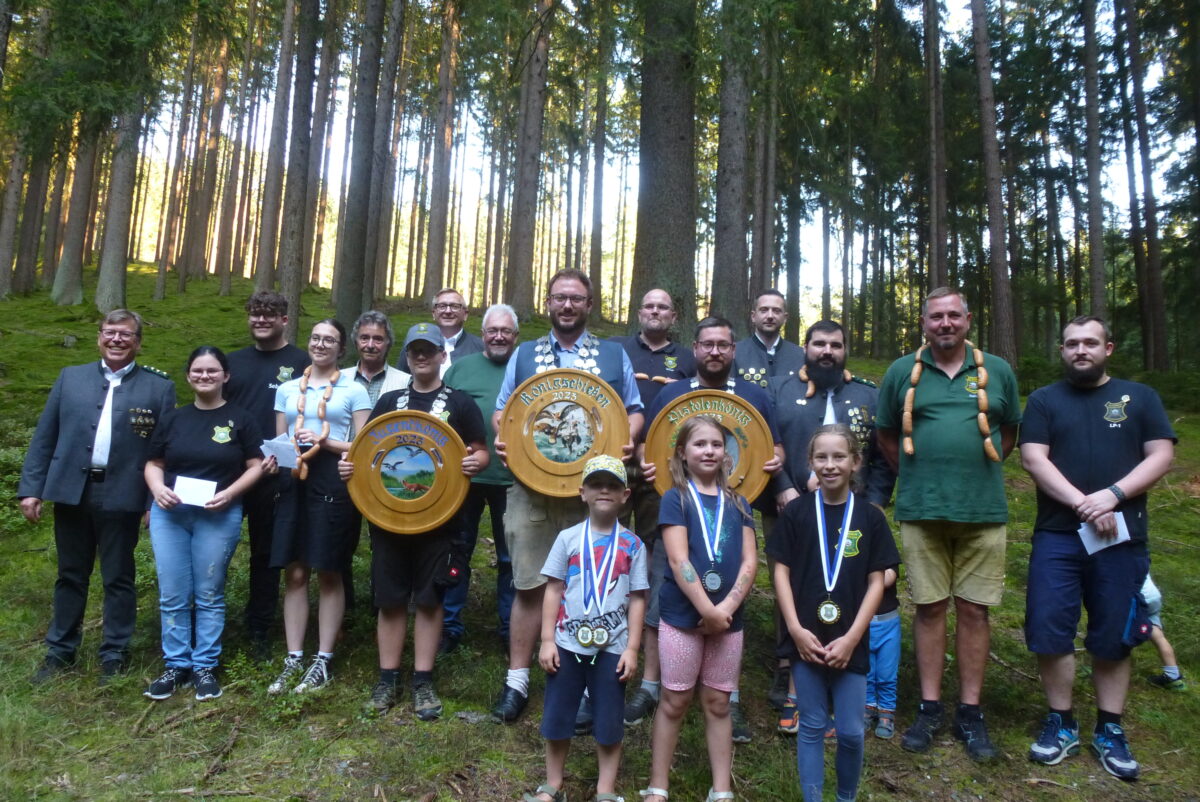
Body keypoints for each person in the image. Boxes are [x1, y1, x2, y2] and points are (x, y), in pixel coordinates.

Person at [1019, 315, 1175, 780]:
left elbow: (1162, 454)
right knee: (1049, 627)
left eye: (1090, 342)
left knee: (1114, 633)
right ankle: (1061, 722)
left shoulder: (1140, 397)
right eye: (1071, 344)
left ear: (1108, 348)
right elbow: (1033, 458)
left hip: (1122, 537)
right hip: (1057, 535)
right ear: (1062, 351)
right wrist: (1085, 505)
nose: (1080, 350)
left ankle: (1110, 728)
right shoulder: (1044, 400)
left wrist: (1113, 496)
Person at [490, 268, 643, 724]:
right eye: (560, 297)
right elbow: (502, 412)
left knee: (594, 587)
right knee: (529, 583)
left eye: (576, 298)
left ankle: (587, 686)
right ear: (549, 303)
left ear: (589, 305)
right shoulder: (524, 355)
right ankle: (517, 680)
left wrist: (628, 438)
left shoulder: (614, 355)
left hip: (595, 494)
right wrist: (505, 437)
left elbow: (634, 410)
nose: (568, 305)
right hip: (532, 489)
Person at [875, 287, 1021, 761]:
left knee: (975, 610)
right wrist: (920, 475)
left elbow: (1010, 431)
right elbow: (886, 434)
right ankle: (930, 707)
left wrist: (969, 470)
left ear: (968, 320)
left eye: (953, 315)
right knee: (929, 607)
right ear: (924, 323)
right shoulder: (903, 371)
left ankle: (970, 712)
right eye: (936, 316)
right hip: (922, 509)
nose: (945, 323)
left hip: (982, 510)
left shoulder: (996, 370)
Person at [642, 315, 784, 743]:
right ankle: (651, 686)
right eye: (708, 344)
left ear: (733, 350)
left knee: (731, 595)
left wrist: (776, 460)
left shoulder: (755, 396)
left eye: (723, 344)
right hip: (676, 510)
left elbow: (774, 449)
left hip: (731, 513)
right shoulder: (671, 393)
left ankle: (729, 697)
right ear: (696, 348)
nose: (716, 351)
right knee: (662, 590)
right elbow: (650, 447)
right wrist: (646, 465)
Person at [340, 323, 488, 718]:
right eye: (414, 351)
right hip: (388, 520)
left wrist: (476, 461)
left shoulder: (460, 404)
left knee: (429, 598)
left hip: (442, 520)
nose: (421, 356)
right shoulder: (390, 402)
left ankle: (423, 680)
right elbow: (364, 453)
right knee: (390, 600)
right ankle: (387, 679)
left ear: (442, 355)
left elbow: (480, 450)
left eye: (429, 350)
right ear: (406, 356)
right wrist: (348, 468)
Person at [21, 310, 176, 683]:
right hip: (71, 491)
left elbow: (164, 450)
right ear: (99, 337)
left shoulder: (158, 388)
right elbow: (45, 437)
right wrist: (31, 488)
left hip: (124, 493)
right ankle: (60, 650)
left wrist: (153, 501)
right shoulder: (70, 378)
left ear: (138, 342)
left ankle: (114, 653)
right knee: (70, 574)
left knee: (118, 576)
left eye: (126, 334)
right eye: (110, 332)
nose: (117, 339)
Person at [768, 320, 895, 732]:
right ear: (804, 347)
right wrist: (784, 488)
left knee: (848, 587)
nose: (827, 351)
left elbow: (882, 458)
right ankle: (791, 671)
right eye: (819, 343)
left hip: (852, 513)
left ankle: (842, 676)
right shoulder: (780, 389)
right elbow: (767, 444)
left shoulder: (868, 395)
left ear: (845, 350)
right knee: (795, 584)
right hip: (793, 509)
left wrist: (872, 508)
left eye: (835, 345)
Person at [769, 424, 900, 801]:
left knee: (851, 732)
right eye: (822, 457)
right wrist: (794, 628)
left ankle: (845, 797)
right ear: (810, 462)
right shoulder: (796, 512)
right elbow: (780, 572)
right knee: (811, 725)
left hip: (850, 638)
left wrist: (854, 637)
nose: (830, 465)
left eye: (839, 456)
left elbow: (878, 582)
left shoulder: (870, 517)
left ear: (856, 462)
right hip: (806, 637)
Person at [640, 416, 757, 802]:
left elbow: (750, 562)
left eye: (716, 444)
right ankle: (658, 785)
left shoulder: (740, 503)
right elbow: (678, 560)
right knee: (674, 701)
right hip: (683, 619)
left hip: (728, 621)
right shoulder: (675, 499)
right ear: (682, 453)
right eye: (700, 444)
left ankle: (721, 789)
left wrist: (726, 610)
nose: (709, 451)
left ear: (727, 454)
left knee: (719, 702)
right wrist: (708, 610)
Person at [523, 455, 648, 802]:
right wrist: (547, 639)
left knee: (609, 722)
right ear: (582, 492)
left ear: (625, 495)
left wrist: (632, 648)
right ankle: (553, 785)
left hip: (613, 650)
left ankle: (605, 790)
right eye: (596, 484)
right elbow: (553, 589)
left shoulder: (633, 545)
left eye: (612, 485)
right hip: (566, 645)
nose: (604, 490)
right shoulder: (567, 539)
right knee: (557, 717)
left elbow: (639, 598)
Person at [143, 346, 263, 701]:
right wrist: (157, 489)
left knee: (209, 592)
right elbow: (153, 463)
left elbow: (256, 465)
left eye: (212, 371)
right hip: (171, 515)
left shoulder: (241, 419)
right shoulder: (173, 418)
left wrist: (231, 493)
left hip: (218, 514)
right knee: (173, 592)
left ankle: (205, 666)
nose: (204, 376)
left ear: (225, 376)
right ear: (188, 376)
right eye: (198, 370)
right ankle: (175, 664)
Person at [264, 319, 371, 695]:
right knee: (295, 572)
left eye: (329, 340)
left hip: (333, 480)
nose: (321, 344)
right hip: (294, 479)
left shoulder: (354, 390)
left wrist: (325, 442)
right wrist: (273, 458)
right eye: (315, 338)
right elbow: (281, 437)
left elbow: (364, 445)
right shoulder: (288, 389)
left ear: (341, 348)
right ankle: (293, 656)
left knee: (328, 570)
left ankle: (323, 658)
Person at [609, 289, 696, 729]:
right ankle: (606, 632)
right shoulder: (615, 349)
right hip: (612, 463)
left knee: (650, 554)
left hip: (661, 472)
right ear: (639, 312)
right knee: (608, 550)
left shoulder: (689, 358)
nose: (655, 312)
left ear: (673, 315)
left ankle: (646, 653)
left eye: (663, 307)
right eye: (649, 306)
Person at [224, 291, 310, 655]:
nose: (261, 320)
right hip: (231, 471)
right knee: (218, 546)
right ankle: (210, 619)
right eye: (255, 314)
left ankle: (258, 626)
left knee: (265, 553)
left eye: (269, 315)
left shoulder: (302, 362)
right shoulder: (232, 362)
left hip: (275, 473)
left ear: (284, 320)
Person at [441, 304, 521, 654]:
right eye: (492, 331)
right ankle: (449, 626)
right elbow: (440, 416)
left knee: (510, 558)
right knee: (457, 550)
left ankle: (510, 628)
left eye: (505, 331)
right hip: (465, 478)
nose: (499, 336)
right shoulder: (460, 369)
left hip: (514, 479)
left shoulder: (526, 369)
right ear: (483, 334)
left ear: (516, 336)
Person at [397, 288, 483, 376]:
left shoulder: (480, 347)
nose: (448, 311)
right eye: (442, 306)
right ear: (433, 313)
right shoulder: (414, 343)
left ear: (465, 314)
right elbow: (401, 376)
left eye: (455, 306)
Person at [734, 289, 805, 387]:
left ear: (785, 318)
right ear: (753, 316)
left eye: (776, 311)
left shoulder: (800, 356)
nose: (770, 316)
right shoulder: (735, 353)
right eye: (764, 310)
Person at [349, 311, 410, 404]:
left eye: (378, 339)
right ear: (356, 341)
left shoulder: (405, 382)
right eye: (364, 338)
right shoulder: (340, 379)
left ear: (388, 343)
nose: (370, 345)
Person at [1141, 575, 1185, 691]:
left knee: (1119, 627)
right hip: (1153, 596)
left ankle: (1111, 666)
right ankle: (1173, 675)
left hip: (1139, 597)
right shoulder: (1139, 561)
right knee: (1158, 636)